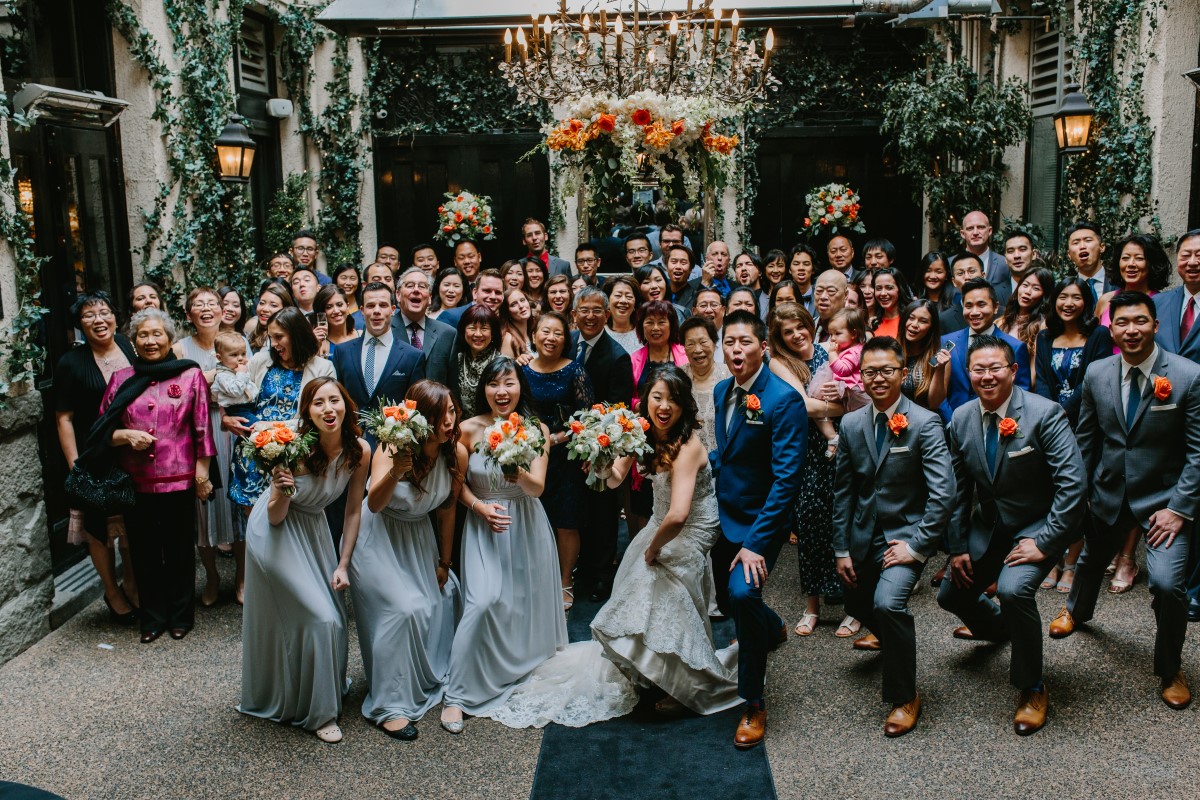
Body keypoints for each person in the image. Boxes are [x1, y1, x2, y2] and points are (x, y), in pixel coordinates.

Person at [1048, 292, 1200, 710]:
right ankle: (1077, 611)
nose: (1131, 330)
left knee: (1169, 585)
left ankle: (1170, 668)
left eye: (1140, 321)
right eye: (1122, 323)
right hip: (1107, 491)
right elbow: (1087, 438)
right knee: (1093, 559)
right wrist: (1080, 493)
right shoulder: (1098, 372)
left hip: (1165, 502)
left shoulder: (1187, 376)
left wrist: (1178, 509)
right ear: (1111, 329)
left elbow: (1198, 452)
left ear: (1154, 325)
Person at [937, 335, 1086, 736]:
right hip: (990, 525)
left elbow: (1073, 486)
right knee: (951, 595)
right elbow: (956, 490)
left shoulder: (1044, 413)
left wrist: (1044, 542)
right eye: (978, 369)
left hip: (1038, 524)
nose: (987, 376)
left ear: (1013, 371)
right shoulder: (962, 418)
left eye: (995, 368)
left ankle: (1031, 686)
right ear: (969, 374)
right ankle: (1001, 629)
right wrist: (956, 547)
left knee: (1014, 590)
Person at [833, 337, 955, 737]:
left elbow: (943, 493)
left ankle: (904, 696)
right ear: (861, 377)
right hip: (862, 534)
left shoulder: (925, 422)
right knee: (853, 598)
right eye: (870, 372)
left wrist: (918, 546)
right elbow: (844, 491)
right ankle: (891, 639)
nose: (878, 378)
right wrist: (841, 548)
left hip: (905, 536)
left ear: (904, 373)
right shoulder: (851, 423)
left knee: (887, 605)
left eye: (887, 370)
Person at [238, 377, 368, 744]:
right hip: (274, 532)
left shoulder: (359, 450)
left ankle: (306, 687)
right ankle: (319, 714)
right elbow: (277, 515)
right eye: (318, 403)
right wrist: (280, 488)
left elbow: (354, 510)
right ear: (307, 412)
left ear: (345, 404)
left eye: (335, 401)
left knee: (337, 619)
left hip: (313, 529)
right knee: (319, 618)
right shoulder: (293, 451)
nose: (329, 410)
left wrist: (343, 563)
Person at [441, 358, 567, 729]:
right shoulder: (465, 430)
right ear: (483, 389)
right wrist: (479, 507)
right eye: (494, 384)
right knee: (483, 601)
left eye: (509, 383)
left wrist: (517, 470)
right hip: (484, 527)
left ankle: (513, 665)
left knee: (520, 602)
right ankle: (457, 694)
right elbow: (456, 485)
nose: (501, 391)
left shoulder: (537, 429)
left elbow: (538, 487)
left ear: (520, 387)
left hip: (526, 522)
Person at [711, 310, 808, 749]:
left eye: (745, 342)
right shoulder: (720, 391)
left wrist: (754, 544)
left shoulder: (783, 400)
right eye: (729, 342)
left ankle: (752, 701)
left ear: (763, 346)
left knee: (743, 594)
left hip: (760, 525)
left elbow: (787, 480)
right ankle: (771, 627)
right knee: (732, 601)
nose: (736, 350)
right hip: (721, 516)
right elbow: (727, 454)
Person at [351, 380, 464, 739]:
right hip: (377, 538)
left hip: (418, 539)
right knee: (403, 610)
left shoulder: (454, 453)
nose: (449, 421)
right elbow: (373, 503)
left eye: (451, 411)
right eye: (439, 414)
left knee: (446, 596)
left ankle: (422, 680)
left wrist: (444, 563)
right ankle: (389, 704)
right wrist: (397, 469)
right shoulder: (392, 444)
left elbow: (447, 511)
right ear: (420, 419)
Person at [96, 308, 215, 642]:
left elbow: (202, 427)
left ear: (169, 338)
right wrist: (125, 436)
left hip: (179, 477)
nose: (150, 341)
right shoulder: (121, 380)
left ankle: (180, 615)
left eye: (156, 334)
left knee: (178, 549)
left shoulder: (189, 375)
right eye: (143, 335)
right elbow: (103, 428)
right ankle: (151, 618)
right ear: (134, 342)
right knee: (144, 551)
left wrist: (202, 476)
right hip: (135, 481)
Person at [767, 304, 851, 638]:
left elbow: (859, 393)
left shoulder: (830, 351)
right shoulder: (779, 363)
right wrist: (842, 407)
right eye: (788, 332)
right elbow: (802, 405)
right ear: (780, 338)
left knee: (845, 526)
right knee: (811, 527)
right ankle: (812, 606)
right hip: (808, 452)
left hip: (843, 448)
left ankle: (853, 608)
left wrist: (843, 404)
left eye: (801, 326)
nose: (797, 334)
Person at [55, 292, 138, 622]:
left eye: (104, 312)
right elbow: (64, 418)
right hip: (94, 458)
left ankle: (132, 583)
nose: (99, 320)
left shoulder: (128, 346)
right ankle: (112, 591)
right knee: (98, 529)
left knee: (132, 523)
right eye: (89, 316)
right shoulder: (70, 363)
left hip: (132, 451)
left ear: (115, 317)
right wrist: (76, 466)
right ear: (80, 325)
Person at [227, 307, 335, 539]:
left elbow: (322, 417)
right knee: (255, 527)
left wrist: (274, 430)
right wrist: (252, 426)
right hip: (253, 451)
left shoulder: (323, 368)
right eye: (270, 336)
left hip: (295, 456)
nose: (273, 343)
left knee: (287, 526)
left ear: (296, 334)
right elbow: (240, 399)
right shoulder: (259, 361)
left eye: (279, 337)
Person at [1033, 278, 1113, 593]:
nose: (1068, 303)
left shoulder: (1098, 335)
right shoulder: (1045, 336)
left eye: (1076, 297)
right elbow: (1041, 382)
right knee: (1049, 492)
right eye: (1062, 297)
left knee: (1076, 494)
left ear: (1086, 301)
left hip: (1085, 425)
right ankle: (1052, 557)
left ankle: (1071, 565)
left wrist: (1062, 413)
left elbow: (1092, 381)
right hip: (1049, 427)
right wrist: (1048, 417)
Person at [522, 312, 595, 611]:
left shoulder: (575, 370)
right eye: (545, 331)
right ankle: (538, 578)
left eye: (558, 333)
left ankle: (566, 580)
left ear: (566, 339)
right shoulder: (523, 371)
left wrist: (557, 438)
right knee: (535, 519)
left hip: (566, 457)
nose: (551, 338)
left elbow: (587, 416)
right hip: (531, 456)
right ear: (534, 335)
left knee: (566, 521)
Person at [173, 287, 239, 606]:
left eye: (212, 303)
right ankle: (211, 576)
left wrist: (202, 379)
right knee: (203, 507)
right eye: (198, 305)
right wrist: (210, 377)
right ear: (189, 315)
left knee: (236, 502)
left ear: (222, 310)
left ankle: (242, 576)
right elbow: (177, 392)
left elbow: (244, 383)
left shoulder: (236, 341)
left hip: (230, 428)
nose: (206, 308)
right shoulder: (178, 349)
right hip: (196, 431)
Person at [570, 288, 635, 603]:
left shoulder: (618, 356)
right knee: (575, 511)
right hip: (564, 445)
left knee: (603, 512)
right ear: (575, 313)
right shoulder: (566, 343)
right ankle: (575, 568)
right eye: (584, 309)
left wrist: (592, 446)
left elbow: (616, 408)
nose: (590, 316)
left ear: (607, 315)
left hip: (600, 446)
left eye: (597, 310)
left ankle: (600, 576)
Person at [1152, 229, 1200, 620]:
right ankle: (1171, 576)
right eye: (1186, 254)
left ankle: (1195, 587)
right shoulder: (1162, 303)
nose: (1193, 261)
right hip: (1164, 415)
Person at [939, 277, 1032, 422]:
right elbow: (938, 386)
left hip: (998, 424)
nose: (974, 312)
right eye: (968, 306)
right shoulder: (947, 342)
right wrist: (952, 421)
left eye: (981, 305)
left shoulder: (1015, 346)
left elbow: (1021, 393)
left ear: (995, 307)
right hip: (953, 424)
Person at [329, 282, 425, 419]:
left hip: (393, 437)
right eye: (370, 306)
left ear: (393, 310)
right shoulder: (342, 352)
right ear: (362, 311)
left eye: (383, 305)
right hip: (351, 436)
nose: (376, 311)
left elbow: (415, 408)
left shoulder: (413, 357)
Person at [1094, 233, 1171, 326]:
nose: (1130, 264)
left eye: (1139, 258)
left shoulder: (1162, 303)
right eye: (1125, 258)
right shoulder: (1105, 301)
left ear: (1152, 264)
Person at [395, 267, 454, 386]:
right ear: (398, 295)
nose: (416, 290)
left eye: (422, 286)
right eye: (410, 285)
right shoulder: (384, 331)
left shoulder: (448, 333)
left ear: (430, 297)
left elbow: (452, 385)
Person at [997, 268, 1055, 387]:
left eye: (1036, 288)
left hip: (1021, 387)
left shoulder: (1042, 326)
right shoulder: (1000, 322)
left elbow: (1035, 372)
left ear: (1045, 295)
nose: (1027, 292)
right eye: (1025, 285)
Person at [681, 317, 731, 452]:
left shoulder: (730, 377)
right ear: (684, 348)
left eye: (703, 342)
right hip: (687, 460)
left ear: (715, 344)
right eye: (690, 344)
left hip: (723, 458)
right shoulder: (677, 379)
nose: (697, 350)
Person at [450, 306, 502, 420]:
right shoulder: (456, 359)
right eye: (472, 328)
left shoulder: (501, 363)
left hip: (492, 427)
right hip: (460, 428)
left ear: (493, 332)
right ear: (463, 330)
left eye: (484, 328)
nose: (478, 334)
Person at [899, 300, 952, 411]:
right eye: (911, 318)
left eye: (923, 321)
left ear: (931, 328)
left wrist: (939, 369)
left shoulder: (938, 357)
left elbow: (934, 403)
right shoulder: (892, 351)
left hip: (926, 420)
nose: (914, 325)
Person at [438, 269, 505, 330]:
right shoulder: (451, 317)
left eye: (498, 292)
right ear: (475, 293)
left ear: (503, 296)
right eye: (487, 291)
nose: (493, 297)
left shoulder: (504, 321)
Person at [955, 211, 1010, 286]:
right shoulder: (950, 263)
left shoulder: (1004, 264)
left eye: (980, 227)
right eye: (970, 228)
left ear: (990, 231)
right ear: (962, 234)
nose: (975, 232)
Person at [1065, 221, 1111, 302]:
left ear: (1102, 247)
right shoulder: (1065, 289)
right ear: (1069, 254)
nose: (1082, 246)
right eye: (1076, 243)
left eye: (1088, 240)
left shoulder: (1119, 283)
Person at [246, 283, 295, 354]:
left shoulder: (290, 339)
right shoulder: (252, 332)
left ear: (285, 309)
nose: (265, 309)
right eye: (262, 303)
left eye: (273, 305)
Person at [313, 285, 358, 354]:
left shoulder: (361, 335)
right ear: (322, 312)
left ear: (347, 306)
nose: (336, 311)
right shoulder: (322, 344)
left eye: (339, 305)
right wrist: (314, 345)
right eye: (329, 307)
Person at [604, 275, 643, 354]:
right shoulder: (599, 332)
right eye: (618, 296)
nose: (623, 301)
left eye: (629, 297)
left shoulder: (643, 332)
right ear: (607, 300)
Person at [869, 268, 912, 339]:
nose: (883, 293)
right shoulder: (873, 322)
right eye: (878, 288)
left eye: (889, 288)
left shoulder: (909, 320)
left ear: (900, 289)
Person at [813, 269, 848, 343]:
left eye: (831, 291)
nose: (823, 297)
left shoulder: (854, 330)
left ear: (846, 295)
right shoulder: (807, 326)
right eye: (819, 291)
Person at [499, 288, 535, 359]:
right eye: (513, 304)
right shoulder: (508, 339)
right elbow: (506, 370)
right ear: (507, 312)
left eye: (522, 300)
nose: (521, 306)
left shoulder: (533, 331)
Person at [786, 244, 818, 318]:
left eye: (806, 264)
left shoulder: (821, 296)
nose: (801, 268)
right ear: (790, 269)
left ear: (813, 269)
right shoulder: (783, 296)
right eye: (796, 264)